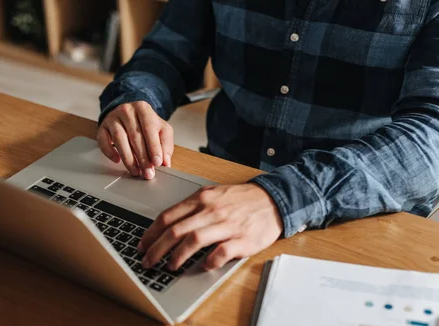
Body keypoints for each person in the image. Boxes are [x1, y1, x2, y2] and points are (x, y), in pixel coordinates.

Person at [97, 0, 439, 272]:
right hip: (217, 189)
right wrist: (134, 97)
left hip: (357, 218)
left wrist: (281, 198)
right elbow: (166, 53)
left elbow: (431, 134)